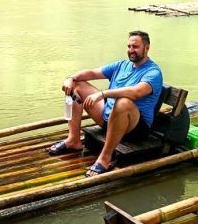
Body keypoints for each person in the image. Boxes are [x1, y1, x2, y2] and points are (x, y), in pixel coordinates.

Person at [47, 31, 163, 176]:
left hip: (134, 129)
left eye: (135, 47)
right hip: (109, 119)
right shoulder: (122, 65)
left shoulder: (153, 72)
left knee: (123, 102)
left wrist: (102, 94)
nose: (131, 50)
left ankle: (104, 158)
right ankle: (73, 139)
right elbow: (93, 73)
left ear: (147, 48)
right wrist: (70, 78)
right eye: (129, 46)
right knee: (76, 86)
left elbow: (136, 92)